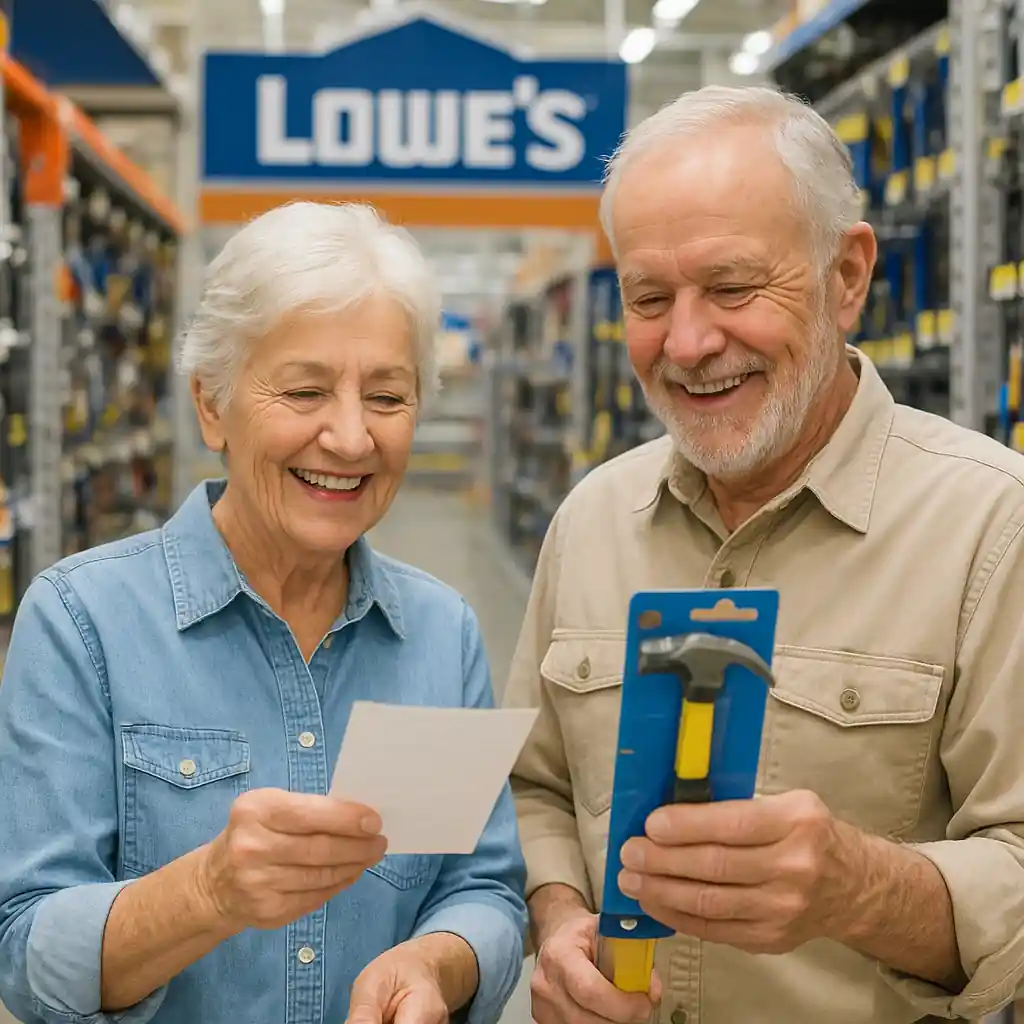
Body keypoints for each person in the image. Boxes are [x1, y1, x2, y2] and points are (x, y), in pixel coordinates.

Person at [502, 84, 1024, 1024]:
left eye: (734, 287)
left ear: (848, 275)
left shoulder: (993, 528)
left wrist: (866, 888)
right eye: (650, 299)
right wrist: (559, 917)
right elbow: (534, 787)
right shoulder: (589, 522)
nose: (690, 343)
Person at [0, 200, 527, 1024]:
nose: (351, 439)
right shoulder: (82, 622)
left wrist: (436, 963)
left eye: (386, 397)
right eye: (306, 389)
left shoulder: (441, 633)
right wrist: (205, 893)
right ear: (211, 404)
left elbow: (484, 889)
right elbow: (25, 953)